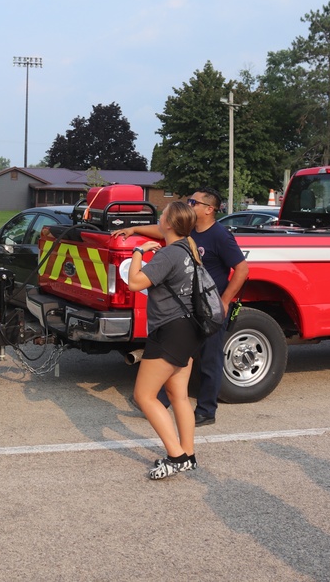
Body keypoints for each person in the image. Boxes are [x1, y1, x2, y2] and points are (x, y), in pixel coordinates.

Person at [115, 186, 249, 426]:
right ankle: (163, 401)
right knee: (180, 356)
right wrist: (133, 228)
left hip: (209, 307)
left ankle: (206, 410)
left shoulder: (220, 235)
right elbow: (160, 228)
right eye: (189, 201)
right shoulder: (188, 231)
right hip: (190, 308)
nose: (189, 205)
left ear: (209, 210)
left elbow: (242, 269)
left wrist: (225, 300)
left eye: (194, 202)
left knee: (209, 358)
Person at [126, 200, 201, 479]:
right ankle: (189, 454)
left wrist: (137, 251)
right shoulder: (189, 249)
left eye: (163, 214)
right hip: (189, 330)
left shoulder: (168, 255)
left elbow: (135, 282)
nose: (160, 217)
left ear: (169, 224)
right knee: (177, 395)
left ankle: (176, 456)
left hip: (169, 331)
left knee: (143, 396)